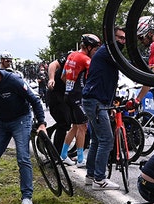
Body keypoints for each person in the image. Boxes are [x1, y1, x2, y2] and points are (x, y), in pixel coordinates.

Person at [0, 53, 47, 204]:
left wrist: (41, 123)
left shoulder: (12, 80)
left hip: (21, 118)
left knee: (22, 157)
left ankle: (27, 197)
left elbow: (34, 100)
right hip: (2, 121)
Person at [81, 28, 126, 190]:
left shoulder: (107, 53)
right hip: (95, 102)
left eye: (124, 39)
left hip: (96, 101)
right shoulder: (108, 51)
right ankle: (99, 179)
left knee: (97, 140)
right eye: (119, 38)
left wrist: (111, 103)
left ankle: (90, 175)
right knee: (107, 140)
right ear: (111, 38)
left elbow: (108, 80)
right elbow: (127, 66)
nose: (123, 41)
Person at [61, 34, 101, 167]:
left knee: (75, 127)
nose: (95, 52)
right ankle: (80, 159)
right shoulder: (86, 59)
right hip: (78, 96)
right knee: (83, 127)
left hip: (68, 94)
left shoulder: (71, 55)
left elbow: (63, 77)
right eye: (95, 49)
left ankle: (63, 155)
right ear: (89, 47)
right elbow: (92, 80)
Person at [46, 53, 72, 155]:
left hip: (70, 95)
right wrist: (51, 79)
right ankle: (57, 154)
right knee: (64, 123)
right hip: (56, 93)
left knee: (73, 121)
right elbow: (53, 64)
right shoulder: (72, 57)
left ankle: (74, 153)